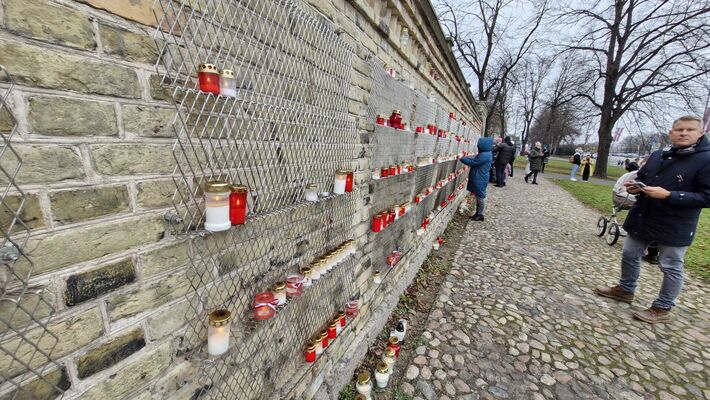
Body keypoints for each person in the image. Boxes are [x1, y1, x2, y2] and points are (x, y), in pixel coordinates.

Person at [595, 115, 710, 324]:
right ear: (671, 133)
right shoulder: (659, 155)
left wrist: (669, 195)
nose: (684, 133)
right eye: (679, 129)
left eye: (690, 130)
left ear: (701, 133)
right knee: (629, 253)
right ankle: (625, 289)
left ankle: (662, 307)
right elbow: (643, 178)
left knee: (671, 265)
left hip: (676, 223)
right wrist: (636, 185)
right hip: (644, 215)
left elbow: (706, 196)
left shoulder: (706, 159)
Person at [460, 137, 494, 221]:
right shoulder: (487, 153)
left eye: (479, 144)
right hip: (480, 176)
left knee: (480, 197)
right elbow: (476, 161)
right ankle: (478, 213)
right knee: (479, 196)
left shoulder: (484, 155)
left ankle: (480, 214)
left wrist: (462, 158)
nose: (478, 146)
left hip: (480, 178)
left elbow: (473, 163)